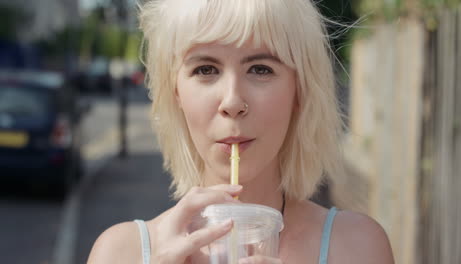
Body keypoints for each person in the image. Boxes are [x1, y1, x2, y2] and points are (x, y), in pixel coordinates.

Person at [88, 0, 395, 263]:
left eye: (260, 69)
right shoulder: (119, 253)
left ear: (299, 90)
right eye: (205, 70)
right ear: (176, 91)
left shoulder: (358, 248)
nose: (233, 101)